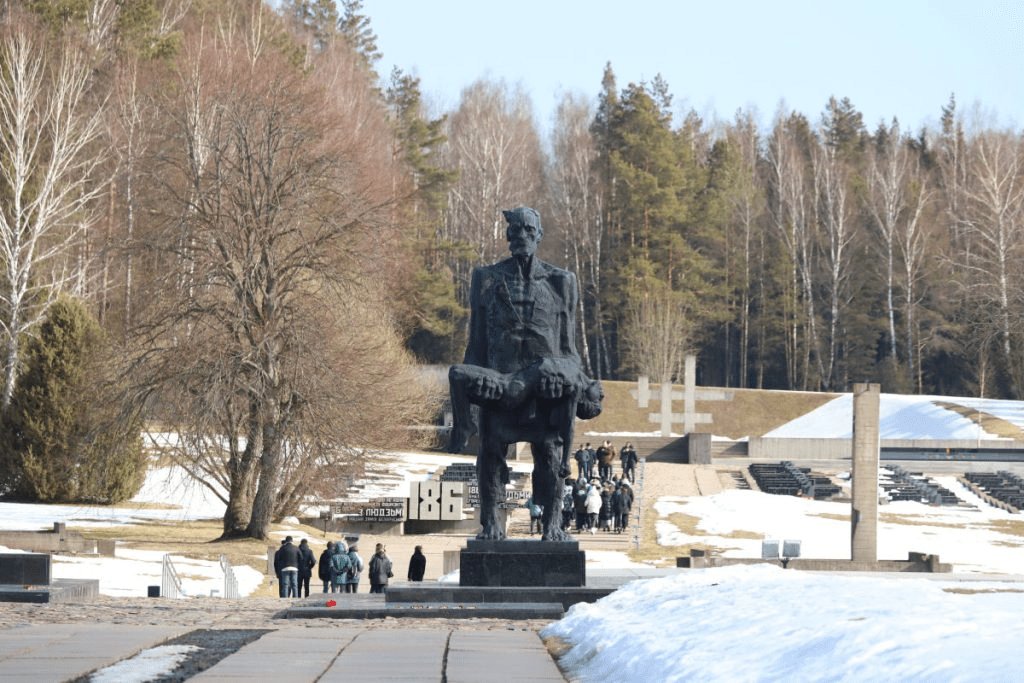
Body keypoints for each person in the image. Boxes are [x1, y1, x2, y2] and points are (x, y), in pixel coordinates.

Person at [447, 207, 602, 541]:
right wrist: (474, 395)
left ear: (539, 235)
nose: (521, 235)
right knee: (489, 451)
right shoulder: (485, 278)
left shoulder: (563, 282)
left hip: (544, 393)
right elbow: (476, 344)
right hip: (499, 387)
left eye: (528, 229)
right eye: (514, 229)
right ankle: (490, 524)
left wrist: (565, 374)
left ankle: (553, 524)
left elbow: (570, 350)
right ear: (507, 236)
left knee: (550, 454)